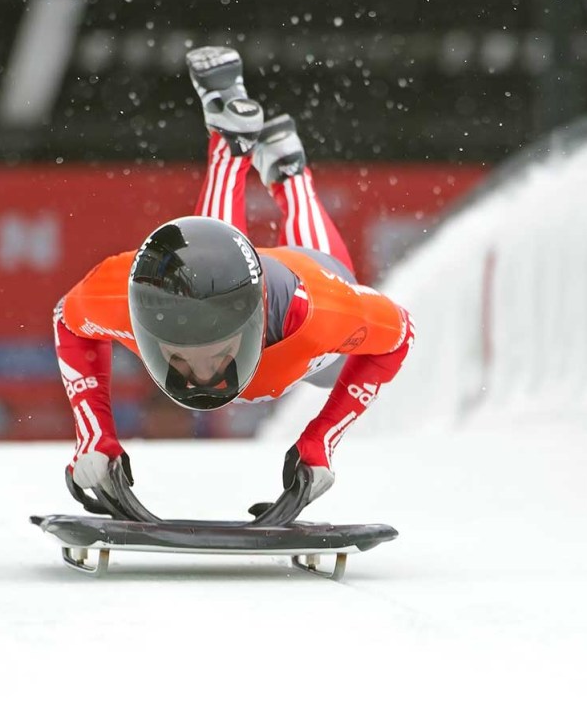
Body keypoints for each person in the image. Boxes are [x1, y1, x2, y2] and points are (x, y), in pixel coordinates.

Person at [53, 46, 414, 508]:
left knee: (329, 319)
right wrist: (94, 436)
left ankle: (266, 163)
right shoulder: (122, 294)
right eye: (181, 357)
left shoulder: (325, 312)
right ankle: (278, 164)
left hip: (307, 281)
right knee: (205, 259)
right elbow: (68, 318)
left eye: (214, 353)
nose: (202, 376)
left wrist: (322, 439)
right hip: (260, 292)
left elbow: (400, 333)